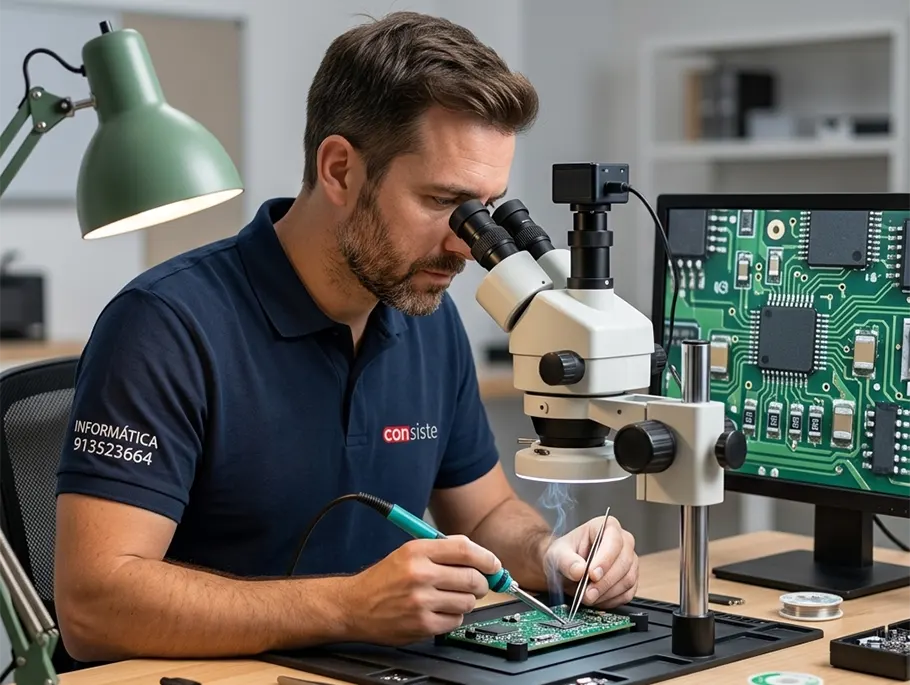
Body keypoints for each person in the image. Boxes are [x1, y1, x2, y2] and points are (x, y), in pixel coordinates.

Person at [53, 10, 639, 663]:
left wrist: (548, 554)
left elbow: (482, 515)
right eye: (445, 203)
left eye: (486, 209)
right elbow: (93, 606)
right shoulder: (165, 326)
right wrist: (347, 604)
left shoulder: (428, 317)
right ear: (338, 169)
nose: (467, 246)